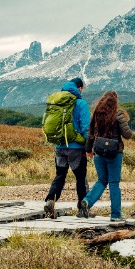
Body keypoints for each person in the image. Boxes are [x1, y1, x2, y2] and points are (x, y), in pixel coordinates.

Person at [42, 77, 90, 218]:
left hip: (59, 146)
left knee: (60, 175)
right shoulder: (80, 103)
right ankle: (83, 208)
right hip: (76, 148)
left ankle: (50, 200)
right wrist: (88, 146)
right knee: (81, 177)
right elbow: (86, 127)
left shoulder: (58, 101)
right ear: (79, 88)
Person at [80, 90, 132, 221]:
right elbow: (128, 135)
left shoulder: (97, 114)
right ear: (115, 102)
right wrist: (122, 121)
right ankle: (115, 215)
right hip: (114, 153)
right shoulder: (118, 114)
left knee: (101, 181)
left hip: (98, 152)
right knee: (114, 183)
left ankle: (87, 201)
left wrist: (88, 150)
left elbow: (91, 134)